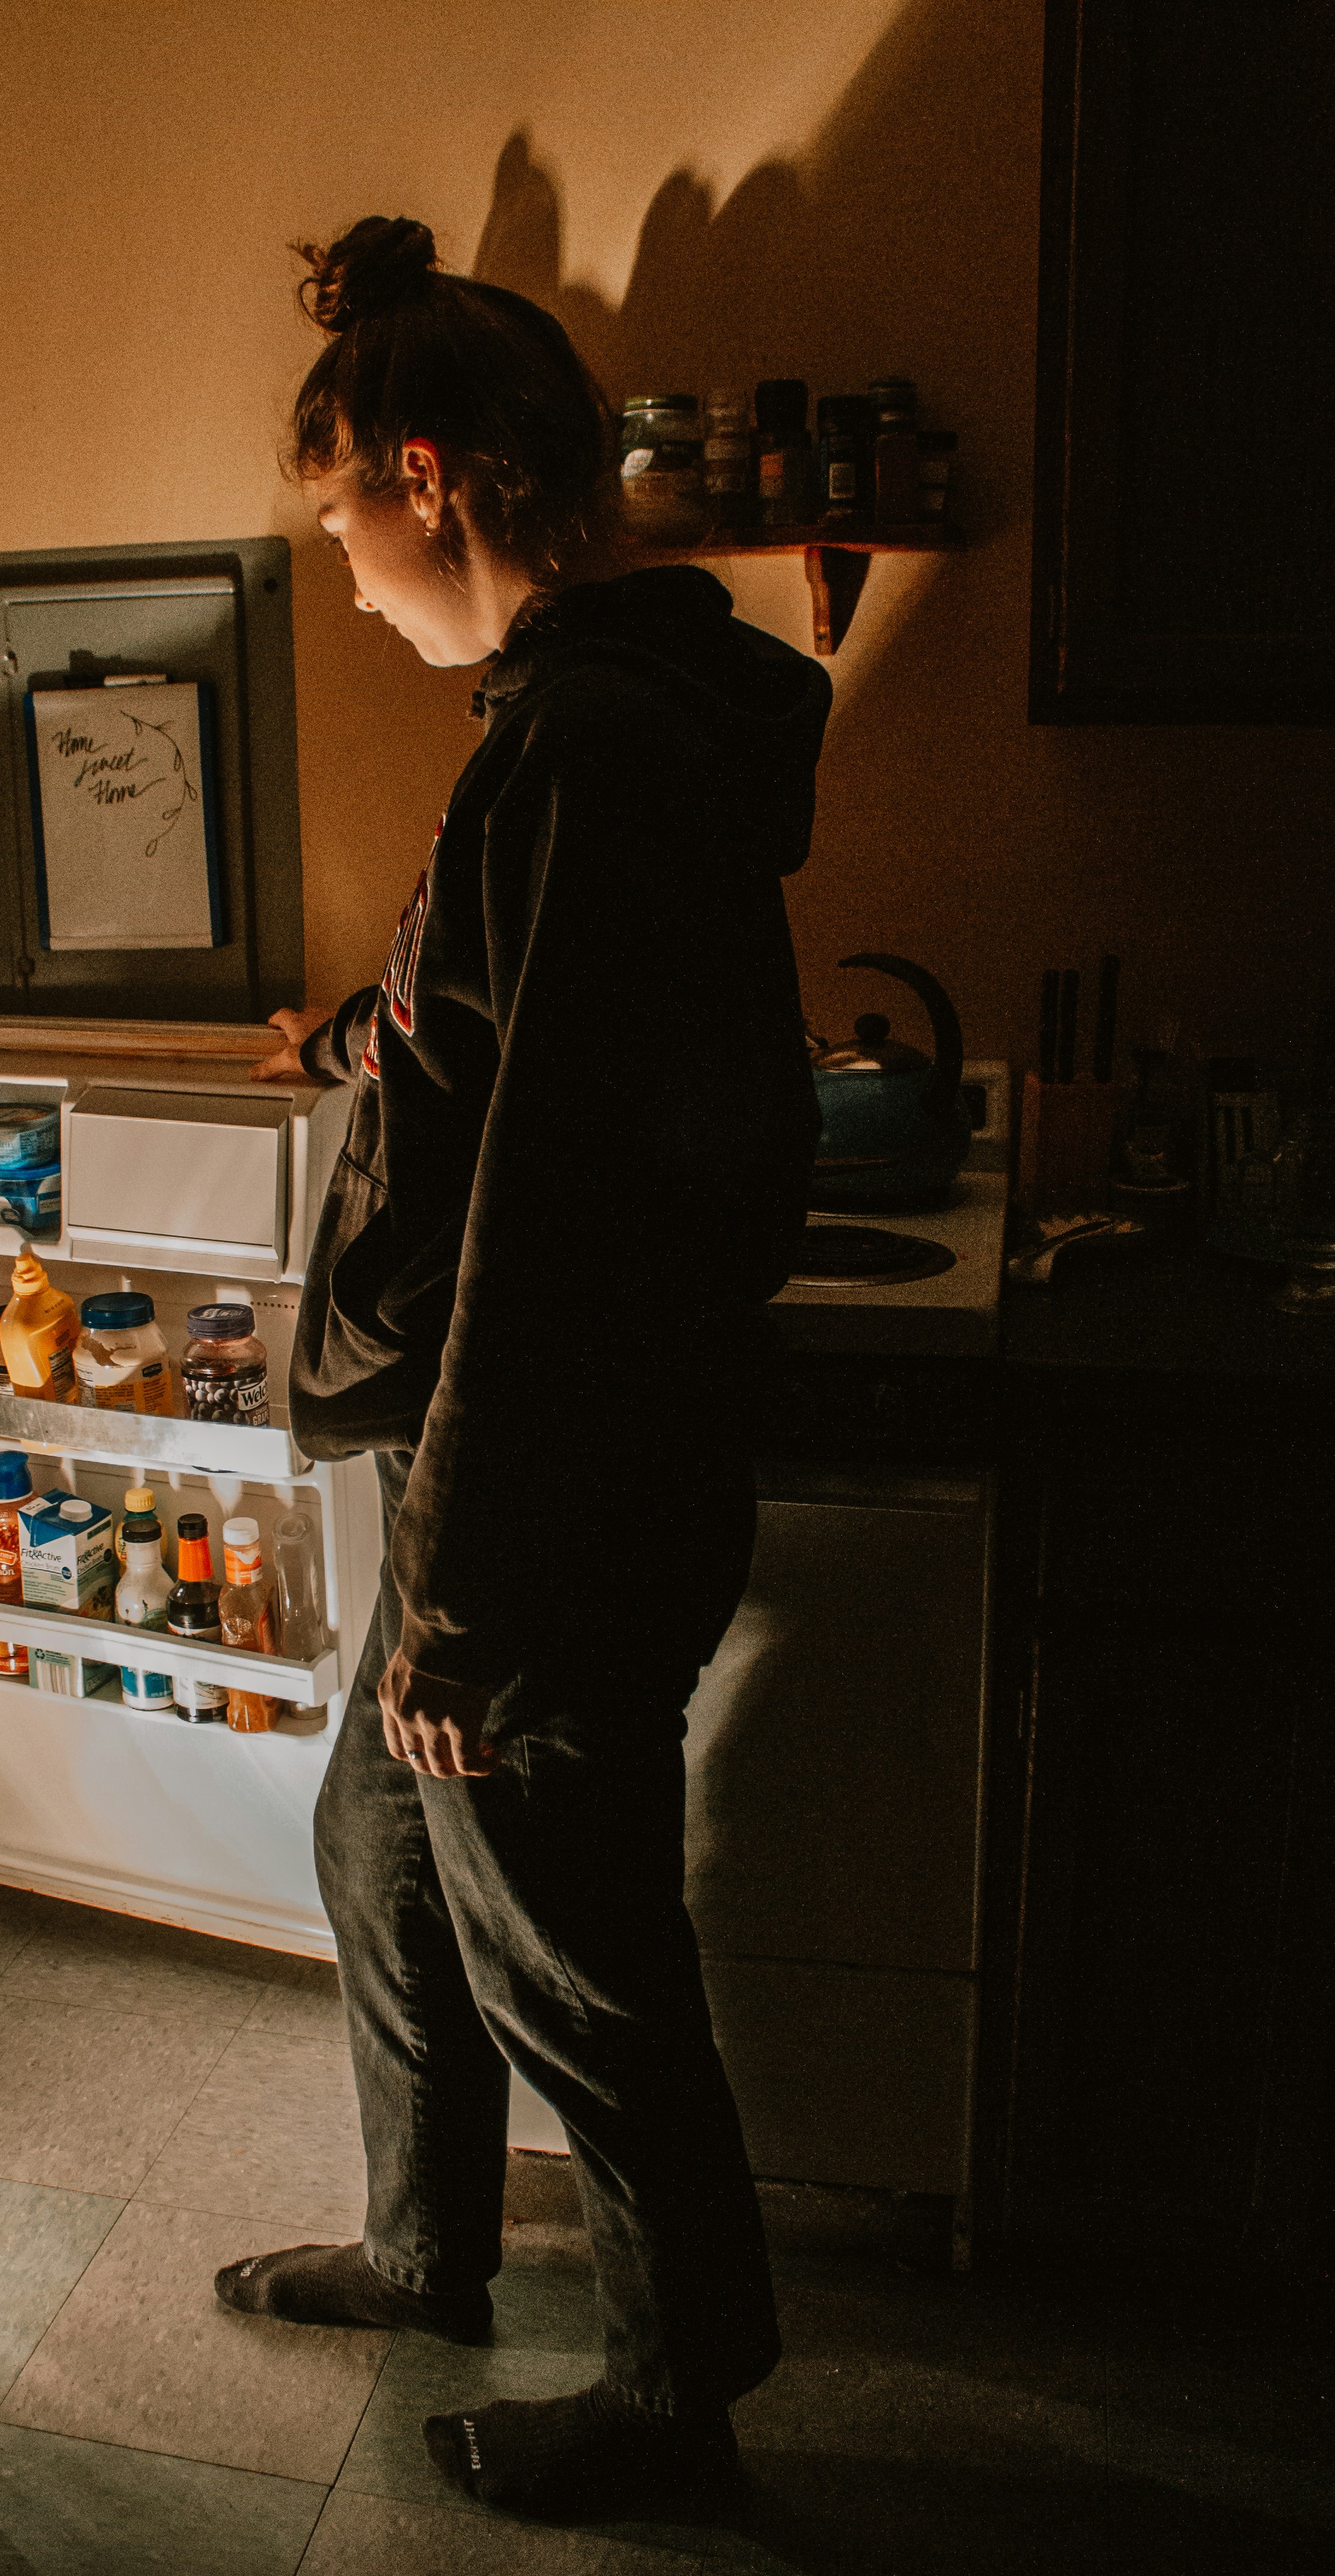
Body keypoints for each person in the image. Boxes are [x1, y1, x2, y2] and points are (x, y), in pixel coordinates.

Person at [218, 216, 832, 2522]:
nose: (350, 580)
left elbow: (565, 1226)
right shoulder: (589, 732)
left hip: (552, 1490)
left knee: (567, 1945)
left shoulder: (584, 744)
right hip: (530, 1477)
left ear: (427, 471)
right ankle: (424, 2245)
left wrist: (463, 1609)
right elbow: (520, 1044)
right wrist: (382, 1038)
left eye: (344, 529)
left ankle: (683, 2404)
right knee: (385, 1840)